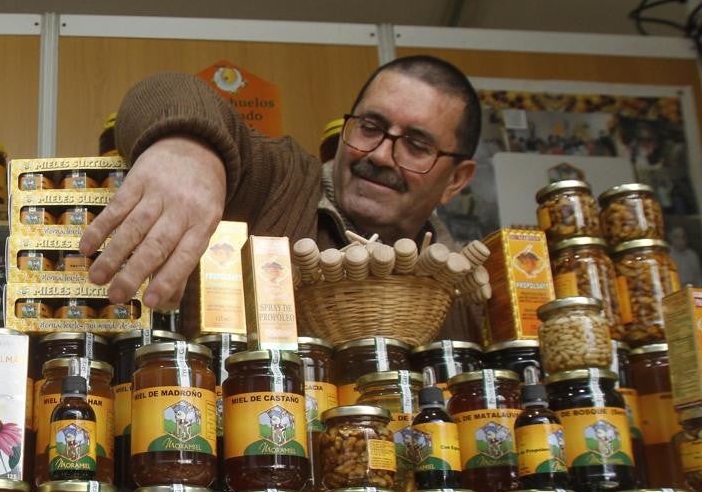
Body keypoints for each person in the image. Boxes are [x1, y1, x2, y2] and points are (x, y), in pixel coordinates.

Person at [79, 55, 481, 336]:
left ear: (456, 180)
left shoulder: (465, 291)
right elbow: (166, 89)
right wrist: (188, 148)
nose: (380, 155)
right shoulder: (283, 178)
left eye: (416, 145)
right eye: (370, 127)